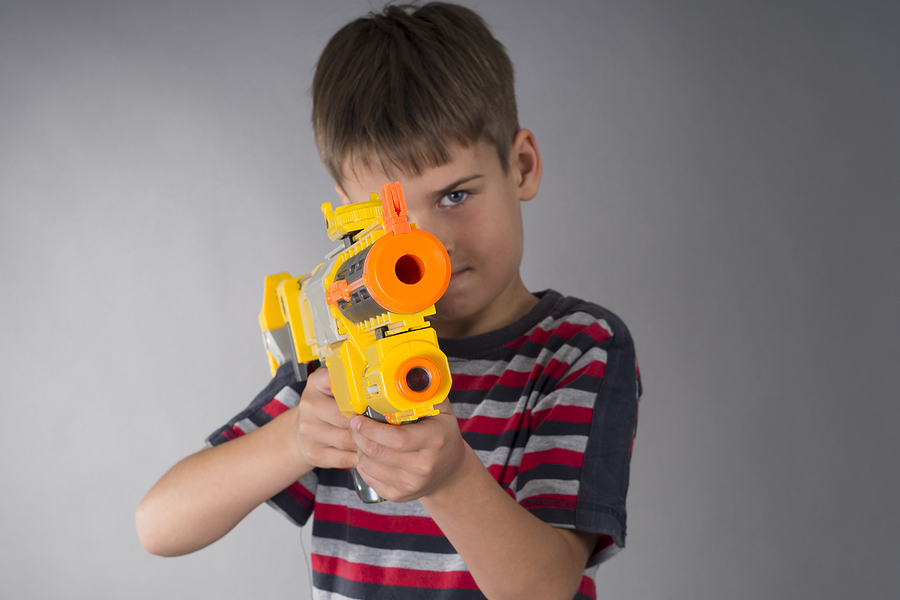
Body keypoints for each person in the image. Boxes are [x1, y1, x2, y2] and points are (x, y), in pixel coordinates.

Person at [136, 3, 641, 600]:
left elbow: (544, 588)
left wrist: (450, 478)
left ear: (522, 165)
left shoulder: (577, 350)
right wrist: (296, 438)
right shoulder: (344, 338)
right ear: (349, 219)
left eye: (455, 195)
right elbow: (158, 526)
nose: (428, 246)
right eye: (386, 216)